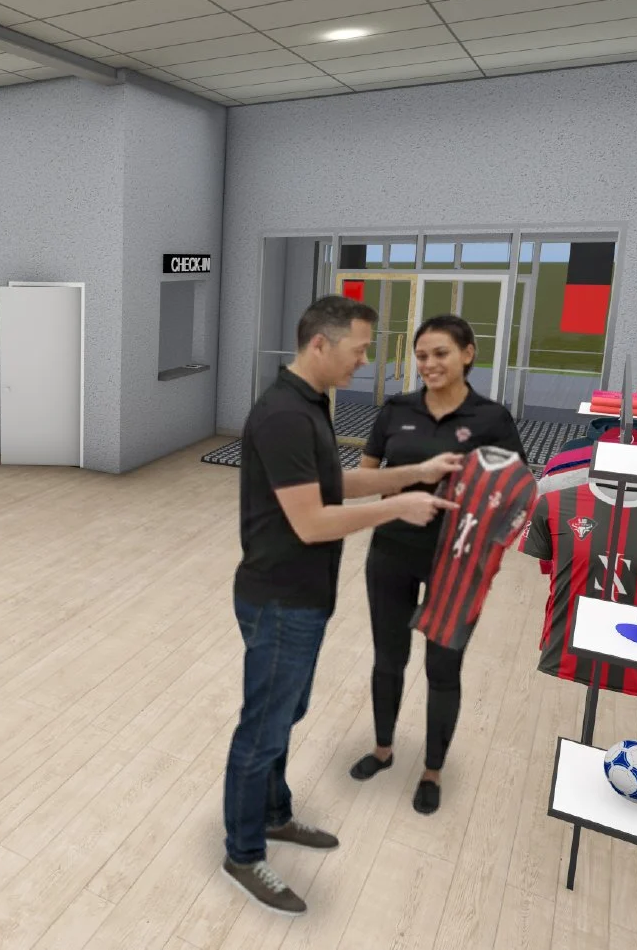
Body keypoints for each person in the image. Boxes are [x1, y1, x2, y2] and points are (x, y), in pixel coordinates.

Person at [222, 296, 459, 915]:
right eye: (358, 350)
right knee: (263, 728)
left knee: (284, 714)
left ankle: (273, 815)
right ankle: (243, 853)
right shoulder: (283, 415)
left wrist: (413, 474)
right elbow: (312, 521)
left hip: (302, 598)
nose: (364, 361)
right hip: (280, 599)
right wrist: (398, 508)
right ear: (320, 344)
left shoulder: (310, 405)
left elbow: (334, 483)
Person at [350, 314, 526, 816]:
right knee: (388, 659)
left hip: (458, 564)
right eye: (422, 355)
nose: (429, 364)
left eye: (441, 353)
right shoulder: (396, 410)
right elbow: (365, 479)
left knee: (443, 668)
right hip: (391, 551)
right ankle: (383, 749)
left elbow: (517, 490)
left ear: (468, 353)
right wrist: (404, 488)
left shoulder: (492, 419)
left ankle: (432, 770)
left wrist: (485, 534)